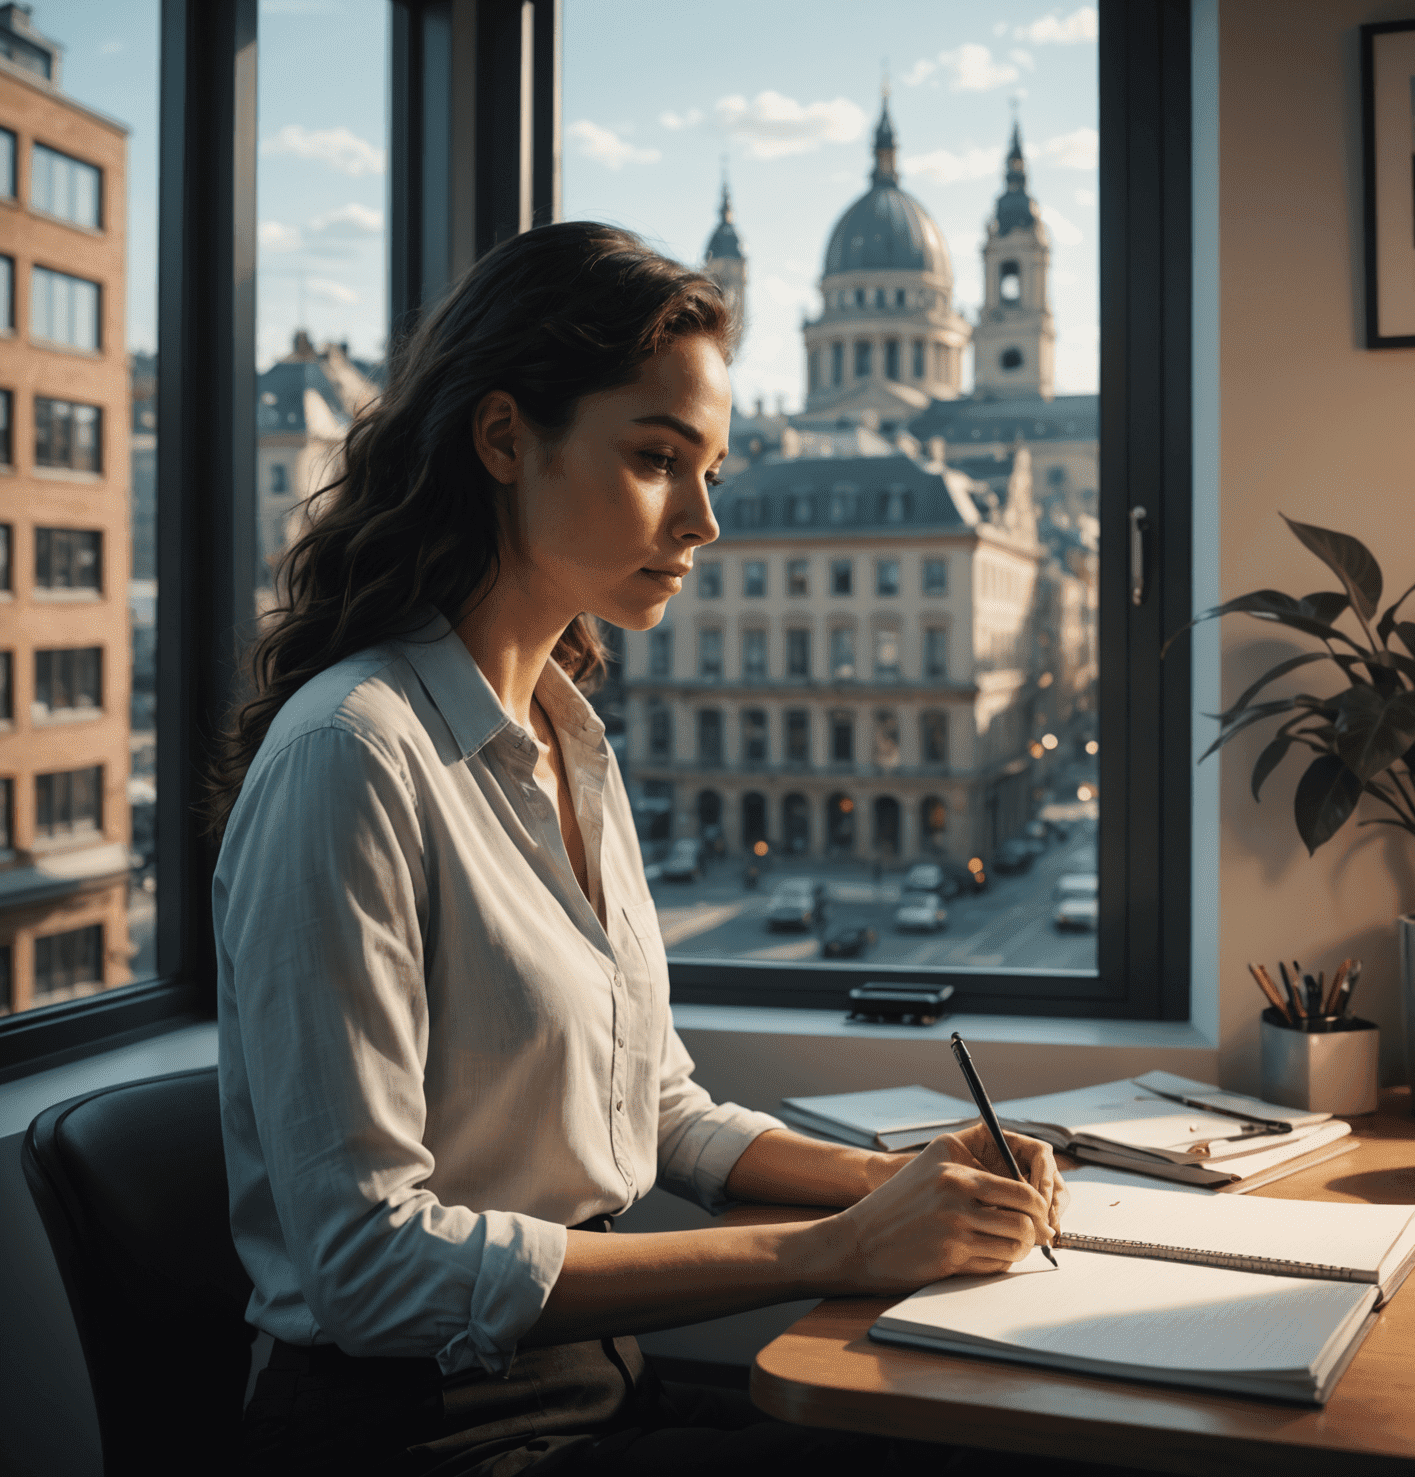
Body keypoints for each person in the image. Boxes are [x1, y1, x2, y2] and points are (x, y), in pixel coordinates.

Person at [211, 224, 1077, 1477]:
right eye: (660, 460)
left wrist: (895, 1182)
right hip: (423, 1433)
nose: (709, 520)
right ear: (505, 438)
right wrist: (831, 1253)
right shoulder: (353, 756)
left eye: (713, 467)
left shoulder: (570, 739)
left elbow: (658, 1113)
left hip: (597, 1389)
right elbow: (368, 1268)